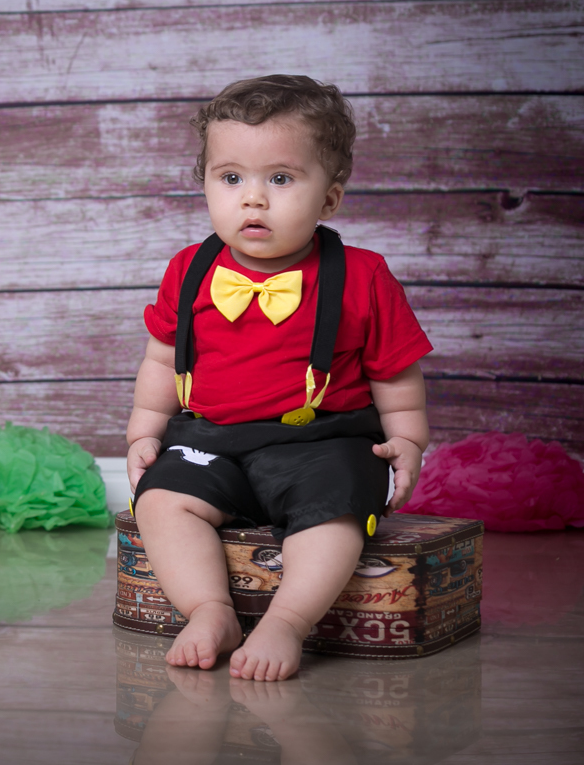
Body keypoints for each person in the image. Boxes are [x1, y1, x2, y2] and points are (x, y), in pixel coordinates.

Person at [126, 75, 432, 681]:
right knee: (161, 501)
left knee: (337, 512)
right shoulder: (189, 269)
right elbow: (162, 359)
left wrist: (410, 440)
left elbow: (396, 373)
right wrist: (143, 431)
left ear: (329, 200)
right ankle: (210, 609)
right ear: (207, 183)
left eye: (281, 179)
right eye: (231, 177)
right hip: (210, 436)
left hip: (322, 440)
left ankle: (286, 620)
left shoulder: (363, 276)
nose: (253, 199)